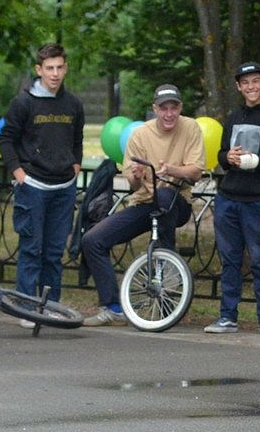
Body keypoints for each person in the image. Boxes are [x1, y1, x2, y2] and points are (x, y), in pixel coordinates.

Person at [81, 85, 205, 326]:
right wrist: (137, 175)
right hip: (145, 202)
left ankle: (167, 277)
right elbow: (134, 186)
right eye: (163, 108)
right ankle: (113, 306)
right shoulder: (140, 135)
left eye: (174, 108)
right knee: (92, 240)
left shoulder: (190, 127)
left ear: (180, 107)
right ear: (154, 109)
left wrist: (171, 170)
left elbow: (196, 172)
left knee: (166, 195)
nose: (169, 114)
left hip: (176, 201)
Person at [204, 62, 260, 337]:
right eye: (245, 83)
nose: (251, 87)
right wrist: (227, 158)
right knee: (229, 260)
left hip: (257, 200)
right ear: (238, 87)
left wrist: (257, 161)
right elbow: (221, 154)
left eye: (255, 81)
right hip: (228, 198)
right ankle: (227, 317)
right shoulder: (233, 117)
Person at [0, 43, 85, 317]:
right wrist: (18, 172)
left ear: (65, 68)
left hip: (63, 187)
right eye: (50, 68)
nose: (55, 73)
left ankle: (49, 307)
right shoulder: (24, 102)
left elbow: (77, 138)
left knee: (53, 253)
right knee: (31, 250)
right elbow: (6, 139)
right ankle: (25, 307)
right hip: (32, 186)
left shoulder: (73, 104)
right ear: (39, 69)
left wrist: (76, 163)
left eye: (60, 67)